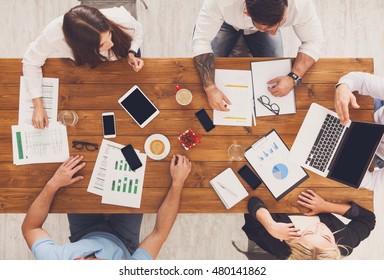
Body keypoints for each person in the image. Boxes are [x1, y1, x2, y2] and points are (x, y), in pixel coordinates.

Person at [21, 154, 192, 260]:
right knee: (135, 179)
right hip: (123, 240)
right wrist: (178, 182)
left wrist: (53, 184)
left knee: (82, 174)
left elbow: (31, 228)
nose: (101, 257)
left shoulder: (54, 261)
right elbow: (159, 233)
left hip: (84, 233)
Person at [22, 5, 144, 129]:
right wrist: (38, 106)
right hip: (91, 66)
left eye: (109, 34)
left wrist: (131, 53)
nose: (111, 43)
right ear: (82, 48)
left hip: (125, 52)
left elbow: (138, 32)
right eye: (102, 44)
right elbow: (31, 62)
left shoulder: (121, 19)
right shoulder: (54, 35)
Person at [192, 0, 324, 111]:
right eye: (268, 29)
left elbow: (314, 41)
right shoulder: (221, 3)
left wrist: (293, 77)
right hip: (225, 23)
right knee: (205, 75)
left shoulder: (301, 5)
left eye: (280, 22)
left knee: (273, 73)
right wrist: (209, 87)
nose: (274, 33)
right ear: (247, 13)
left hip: (262, 22)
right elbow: (201, 40)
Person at [242, 189, 375, 260]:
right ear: (336, 246)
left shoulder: (281, 244)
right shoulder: (345, 241)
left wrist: (271, 225)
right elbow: (368, 218)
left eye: (309, 232)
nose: (319, 228)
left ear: (296, 240)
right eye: (327, 237)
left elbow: (252, 202)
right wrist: (326, 206)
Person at [334, 71, 384, 178]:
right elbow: (361, 80)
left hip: (375, 151)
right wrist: (343, 87)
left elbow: (373, 182)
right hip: (373, 113)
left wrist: (350, 172)